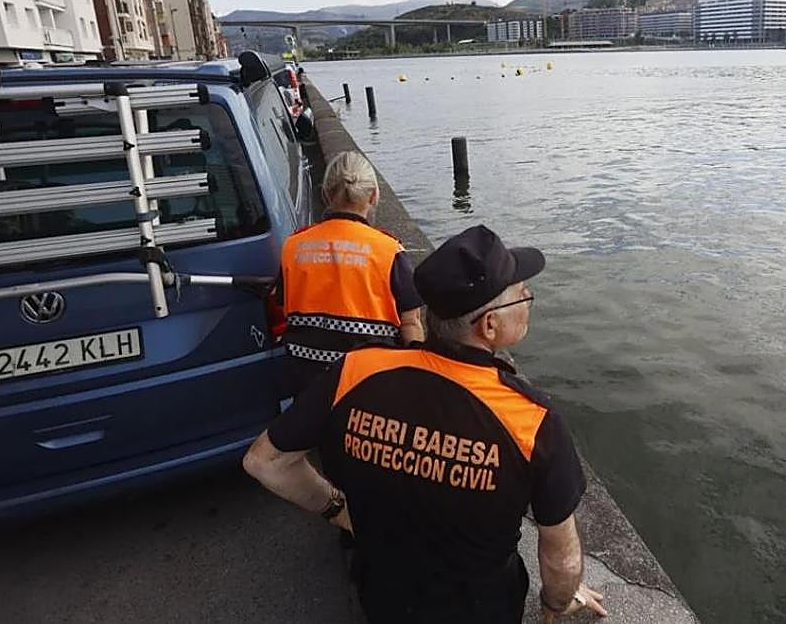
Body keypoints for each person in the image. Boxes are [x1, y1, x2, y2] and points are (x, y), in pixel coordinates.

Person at [243, 224, 608, 623]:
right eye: (524, 297)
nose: (527, 303)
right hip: (481, 610)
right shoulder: (530, 419)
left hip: (383, 596)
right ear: (489, 326)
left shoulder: (355, 371)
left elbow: (264, 462)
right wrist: (558, 600)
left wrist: (336, 508)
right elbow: (561, 555)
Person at [274, 151, 424, 388]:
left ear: (325, 194)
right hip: (370, 379)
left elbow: (284, 307)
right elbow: (411, 322)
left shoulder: (293, 246)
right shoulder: (389, 251)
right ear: (373, 197)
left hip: (307, 377)